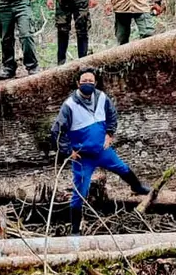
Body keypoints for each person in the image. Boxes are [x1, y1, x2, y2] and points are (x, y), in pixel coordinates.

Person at [49, 67, 152, 235]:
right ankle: (75, 230)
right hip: (83, 157)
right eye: (84, 81)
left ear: (95, 83)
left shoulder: (102, 97)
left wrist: (110, 133)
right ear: (78, 83)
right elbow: (56, 131)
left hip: (102, 151)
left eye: (90, 81)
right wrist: (69, 151)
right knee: (79, 194)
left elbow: (112, 115)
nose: (87, 83)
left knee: (123, 168)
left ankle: (137, 187)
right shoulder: (69, 105)